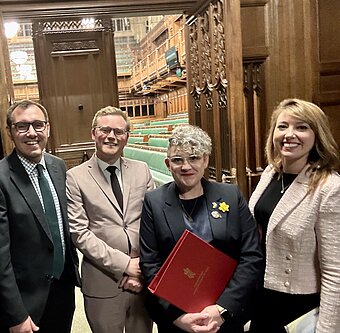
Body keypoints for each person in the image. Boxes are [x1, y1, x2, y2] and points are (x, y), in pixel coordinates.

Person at [140, 124, 264, 333]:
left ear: (205, 160)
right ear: (168, 164)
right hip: (177, 319)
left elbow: (251, 255)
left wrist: (222, 309)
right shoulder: (154, 201)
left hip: (226, 315)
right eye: (178, 160)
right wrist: (178, 317)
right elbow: (150, 263)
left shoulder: (231, 195)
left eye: (194, 158)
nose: (186, 166)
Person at [0, 99, 80, 333]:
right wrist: (16, 314)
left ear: (48, 128)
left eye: (38, 125)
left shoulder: (58, 166)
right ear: (10, 132)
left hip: (62, 287)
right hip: (26, 299)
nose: (31, 132)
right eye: (22, 126)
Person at [248, 98, 340, 333]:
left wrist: (327, 329)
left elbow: (334, 270)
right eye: (283, 126)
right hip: (262, 294)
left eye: (302, 127)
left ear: (317, 135)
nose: (290, 134)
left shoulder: (329, 187)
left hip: (297, 305)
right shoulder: (271, 173)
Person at [66, 106, 154, 333]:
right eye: (105, 130)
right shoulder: (75, 177)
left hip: (144, 280)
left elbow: (154, 223)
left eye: (119, 131)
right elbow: (79, 233)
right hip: (103, 282)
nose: (111, 136)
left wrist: (142, 268)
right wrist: (126, 266)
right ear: (93, 133)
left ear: (127, 137)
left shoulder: (142, 170)